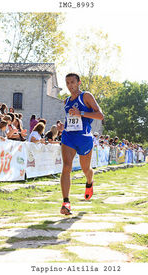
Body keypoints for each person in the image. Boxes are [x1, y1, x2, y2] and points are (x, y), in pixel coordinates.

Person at [59, 73, 104, 215]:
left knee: (86, 170)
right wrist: (63, 127)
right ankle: (66, 203)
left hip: (84, 137)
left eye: (72, 82)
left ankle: (90, 181)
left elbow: (100, 115)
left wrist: (81, 113)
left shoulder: (86, 96)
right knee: (66, 167)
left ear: (78, 83)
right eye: (67, 83)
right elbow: (71, 118)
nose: (70, 85)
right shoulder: (66, 101)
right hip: (68, 136)